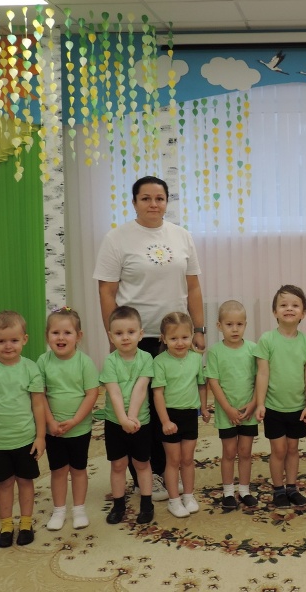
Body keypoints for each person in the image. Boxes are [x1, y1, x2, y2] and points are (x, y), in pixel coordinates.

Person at [94, 175, 206, 501]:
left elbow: (193, 287)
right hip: (136, 339)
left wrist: (198, 330)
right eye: (146, 198)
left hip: (175, 338)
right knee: (140, 410)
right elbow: (106, 291)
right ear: (134, 203)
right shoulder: (117, 239)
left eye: (159, 198)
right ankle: (147, 473)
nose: (153, 204)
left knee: (169, 407)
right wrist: (114, 337)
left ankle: (167, 467)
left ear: (167, 202)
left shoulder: (182, 236)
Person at [0, 311, 45, 548]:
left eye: (14, 340)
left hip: (25, 439)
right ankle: (6, 525)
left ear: (25, 339)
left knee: (25, 481)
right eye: (1, 341)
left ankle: (26, 524)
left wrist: (41, 436)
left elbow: (38, 404)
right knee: (4, 483)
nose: (8, 346)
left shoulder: (31, 368)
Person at [254, 284, 306, 508]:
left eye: (295, 305)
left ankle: (291, 487)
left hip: (297, 407)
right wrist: (260, 403)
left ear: (303, 313)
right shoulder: (267, 340)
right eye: (283, 305)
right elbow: (262, 373)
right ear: (275, 311)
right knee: (278, 449)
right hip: (273, 406)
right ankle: (278, 489)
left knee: (292, 449)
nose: (289, 309)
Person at [37, 307, 99, 531]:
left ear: (78, 336)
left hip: (79, 429)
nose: (61, 338)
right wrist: (50, 422)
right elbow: (40, 395)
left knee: (78, 469)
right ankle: (59, 510)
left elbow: (92, 394)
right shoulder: (42, 361)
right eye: (55, 333)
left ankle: (79, 509)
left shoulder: (85, 362)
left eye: (67, 333)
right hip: (53, 430)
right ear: (47, 336)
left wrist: (74, 421)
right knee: (58, 470)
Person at [100, 305, 155, 525]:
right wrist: (123, 419)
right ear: (111, 336)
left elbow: (141, 388)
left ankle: (147, 504)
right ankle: (119, 505)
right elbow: (113, 392)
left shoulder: (147, 358)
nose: (125, 337)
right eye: (119, 333)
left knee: (142, 463)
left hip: (141, 422)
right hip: (115, 422)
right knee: (118, 465)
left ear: (140, 334)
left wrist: (131, 418)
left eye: (131, 332)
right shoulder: (109, 361)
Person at [151, 311, 209, 518]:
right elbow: (158, 393)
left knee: (188, 459)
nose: (180, 342)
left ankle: (189, 496)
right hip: (169, 417)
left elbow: (201, 385)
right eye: (173, 338)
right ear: (164, 339)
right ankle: (174, 501)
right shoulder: (159, 361)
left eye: (185, 337)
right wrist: (165, 421)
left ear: (192, 336)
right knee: (173, 460)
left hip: (190, 415)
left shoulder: (196, 358)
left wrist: (204, 408)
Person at [205, 300, 259, 509]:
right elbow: (213, 382)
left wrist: (254, 403)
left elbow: (260, 379)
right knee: (229, 452)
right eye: (229, 324)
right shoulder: (215, 352)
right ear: (219, 326)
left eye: (239, 324)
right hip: (226, 412)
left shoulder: (253, 349)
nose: (235, 329)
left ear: (246, 324)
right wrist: (227, 408)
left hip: (248, 412)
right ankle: (228, 492)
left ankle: (244, 490)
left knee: (245, 451)